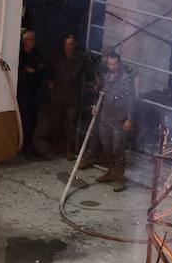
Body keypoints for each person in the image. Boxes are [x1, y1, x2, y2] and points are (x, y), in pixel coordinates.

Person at [82, 49, 136, 191]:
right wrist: (96, 107)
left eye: (114, 64)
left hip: (119, 120)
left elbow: (131, 100)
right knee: (107, 148)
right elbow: (100, 95)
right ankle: (111, 172)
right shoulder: (106, 77)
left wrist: (129, 119)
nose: (112, 67)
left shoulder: (126, 79)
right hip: (105, 118)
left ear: (119, 64)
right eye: (110, 64)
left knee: (118, 149)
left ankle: (119, 178)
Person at [47, 33, 88, 158]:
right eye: (66, 44)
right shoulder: (57, 57)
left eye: (70, 44)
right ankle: (56, 147)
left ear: (74, 45)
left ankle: (69, 149)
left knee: (70, 123)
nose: (68, 46)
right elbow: (48, 71)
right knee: (56, 122)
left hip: (72, 96)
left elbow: (86, 74)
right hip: (58, 95)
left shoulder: (79, 59)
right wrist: (50, 83)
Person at [16, 30, 44, 157]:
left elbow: (41, 70)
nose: (33, 42)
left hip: (34, 92)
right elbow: (23, 72)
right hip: (23, 92)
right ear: (24, 41)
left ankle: (31, 146)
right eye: (30, 39)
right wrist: (30, 72)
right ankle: (26, 148)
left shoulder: (36, 54)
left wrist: (34, 71)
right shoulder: (20, 55)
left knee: (34, 120)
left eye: (33, 39)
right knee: (25, 120)